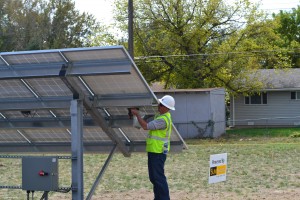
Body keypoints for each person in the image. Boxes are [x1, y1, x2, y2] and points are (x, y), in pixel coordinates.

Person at [131, 95, 175, 200]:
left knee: (158, 178)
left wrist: (137, 115)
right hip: (154, 151)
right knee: (154, 178)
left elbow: (146, 126)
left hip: (158, 152)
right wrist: (138, 115)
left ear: (166, 107)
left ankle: (164, 198)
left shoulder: (163, 120)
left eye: (161, 105)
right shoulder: (159, 116)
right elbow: (146, 122)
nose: (158, 106)